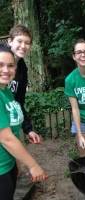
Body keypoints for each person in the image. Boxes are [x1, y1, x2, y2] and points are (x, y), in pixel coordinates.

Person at [0, 44, 48, 200]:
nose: (6, 70)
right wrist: (33, 165)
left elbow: (13, 128)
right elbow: (6, 138)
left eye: (10, 65)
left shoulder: (6, 91)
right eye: (0, 65)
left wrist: (16, 162)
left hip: (8, 164)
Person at [7, 24, 41, 144]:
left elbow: (18, 102)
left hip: (9, 125)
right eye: (19, 41)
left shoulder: (22, 69)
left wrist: (28, 129)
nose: (23, 46)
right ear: (10, 41)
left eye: (27, 43)